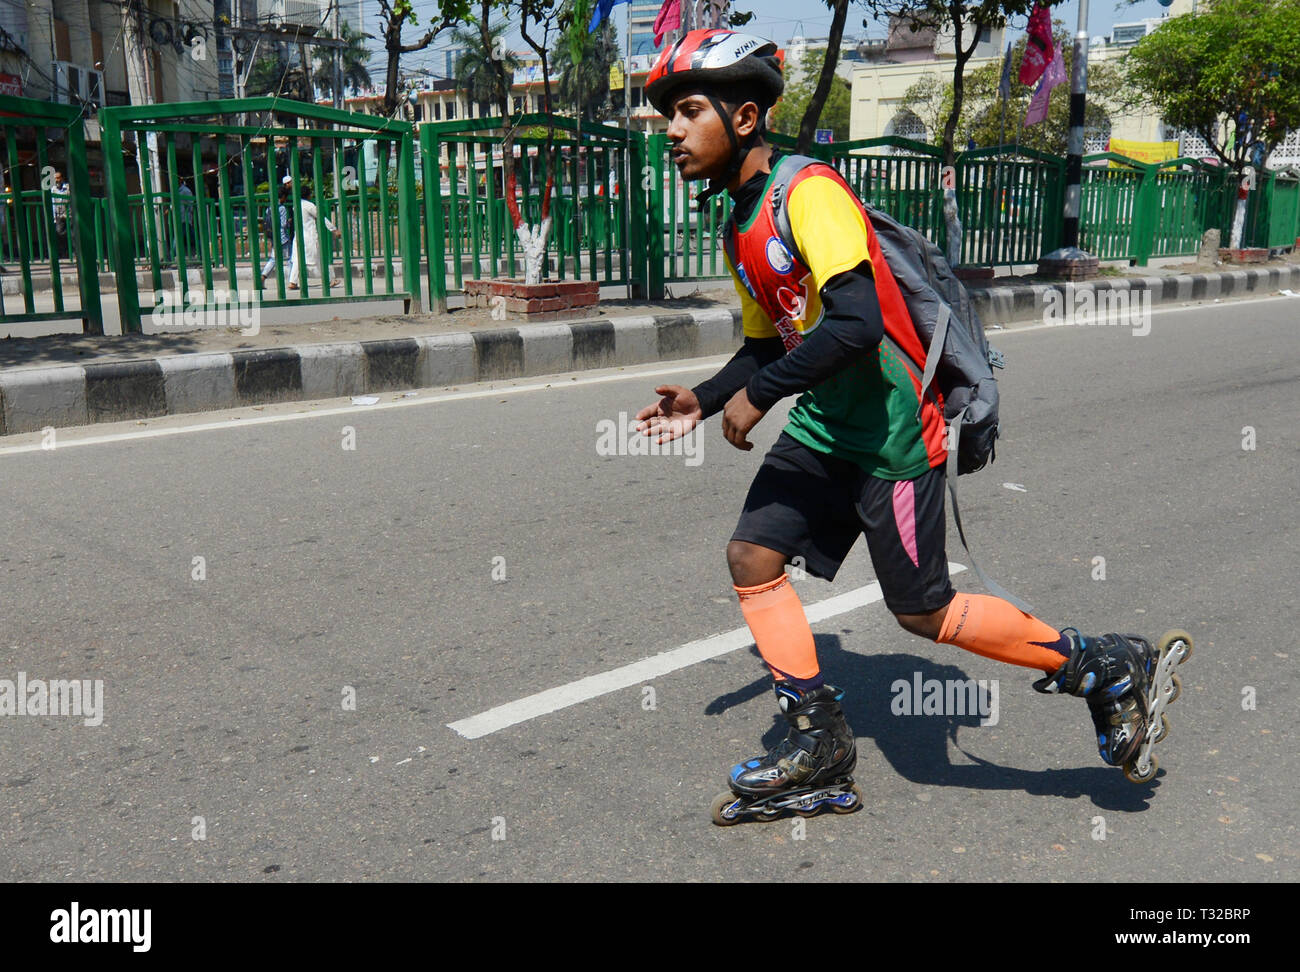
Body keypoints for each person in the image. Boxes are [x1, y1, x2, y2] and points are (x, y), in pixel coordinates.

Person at [633, 29, 1183, 820]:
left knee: (922, 612)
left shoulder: (807, 192)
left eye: (688, 112)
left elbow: (854, 322)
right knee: (753, 555)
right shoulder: (742, 223)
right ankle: (818, 738)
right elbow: (768, 342)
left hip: (893, 435)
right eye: (668, 119)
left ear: (745, 116)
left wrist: (763, 397)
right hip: (827, 427)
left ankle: (1102, 665)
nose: (673, 132)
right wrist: (708, 397)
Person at [287, 190, 341, 290]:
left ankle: (293, 282)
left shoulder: (296, 206)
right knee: (319, 258)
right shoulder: (309, 205)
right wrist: (334, 229)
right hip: (309, 237)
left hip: (298, 236)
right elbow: (321, 217)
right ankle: (329, 280)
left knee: (298, 259)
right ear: (308, 195)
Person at [261, 181, 293, 283]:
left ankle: (263, 276)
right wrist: (289, 222)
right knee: (291, 259)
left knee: (273, 259)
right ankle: (293, 280)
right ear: (283, 196)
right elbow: (283, 224)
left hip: (273, 236)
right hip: (283, 237)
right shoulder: (282, 208)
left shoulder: (270, 208)